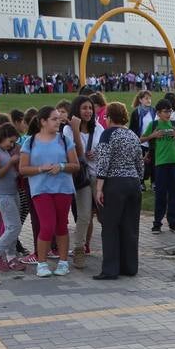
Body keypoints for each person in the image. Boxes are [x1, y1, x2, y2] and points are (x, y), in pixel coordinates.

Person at [19, 106, 80, 277]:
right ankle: (42, 262)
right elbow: (22, 169)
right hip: (40, 190)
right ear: (43, 121)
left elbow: (75, 165)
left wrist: (60, 167)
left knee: (61, 225)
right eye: (54, 119)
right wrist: (40, 169)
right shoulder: (30, 141)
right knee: (47, 225)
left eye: (59, 119)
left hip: (63, 188)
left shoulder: (65, 140)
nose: (58, 122)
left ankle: (63, 262)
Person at [91, 102, 143, 280]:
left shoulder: (107, 134)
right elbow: (140, 163)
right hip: (133, 183)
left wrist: (99, 188)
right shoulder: (133, 135)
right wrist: (138, 179)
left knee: (110, 227)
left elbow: (103, 162)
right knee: (130, 227)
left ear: (109, 118)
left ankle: (110, 269)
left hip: (115, 184)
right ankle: (129, 266)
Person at [64, 96, 100, 268]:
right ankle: (79, 249)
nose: (88, 112)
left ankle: (111, 247)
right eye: (84, 108)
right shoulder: (68, 130)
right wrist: (76, 129)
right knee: (84, 214)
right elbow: (77, 152)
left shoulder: (98, 128)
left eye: (90, 108)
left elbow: (103, 150)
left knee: (104, 214)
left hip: (98, 175)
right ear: (77, 110)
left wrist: (96, 153)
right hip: (82, 177)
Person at [0, 122, 25, 272]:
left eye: (14, 142)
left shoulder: (7, 150)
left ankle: (11, 257)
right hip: (2, 194)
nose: (12, 145)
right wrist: (11, 162)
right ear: (2, 137)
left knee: (12, 227)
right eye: (10, 141)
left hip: (12, 192)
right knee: (14, 226)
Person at [141, 99, 175, 233]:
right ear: (158, 113)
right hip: (160, 163)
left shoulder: (174, 124)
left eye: (170, 110)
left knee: (174, 194)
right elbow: (141, 139)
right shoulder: (154, 124)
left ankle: (173, 222)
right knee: (160, 194)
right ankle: (157, 223)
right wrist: (153, 135)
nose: (168, 114)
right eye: (166, 111)